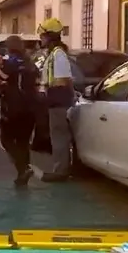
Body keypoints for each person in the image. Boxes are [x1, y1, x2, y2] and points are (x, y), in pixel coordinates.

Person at [0, 35, 39, 187]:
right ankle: (22, 175)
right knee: (23, 142)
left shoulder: (9, 62)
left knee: (6, 140)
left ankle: (23, 168)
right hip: (31, 106)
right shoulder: (31, 63)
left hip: (13, 107)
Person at [36, 18, 75, 183]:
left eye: (43, 36)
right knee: (56, 136)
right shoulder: (53, 54)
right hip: (55, 100)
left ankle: (60, 171)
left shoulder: (58, 54)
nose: (41, 39)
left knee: (59, 136)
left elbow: (62, 80)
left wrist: (48, 94)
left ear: (50, 36)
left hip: (58, 101)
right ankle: (60, 168)